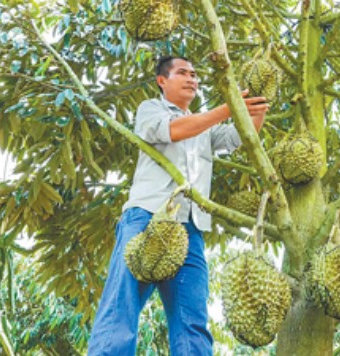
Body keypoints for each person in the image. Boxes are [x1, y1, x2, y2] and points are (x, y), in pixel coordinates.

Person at [87, 56, 269, 355]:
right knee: (122, 306)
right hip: (146, 217)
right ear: (162, 80)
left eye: (195, 75)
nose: (192, 79)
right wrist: (229, 108)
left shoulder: (206, 128)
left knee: (192, 320)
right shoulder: (151, 109)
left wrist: (256, 108)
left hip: (190, 228)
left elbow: (241, 137)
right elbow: (174, 131)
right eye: (183, 73)